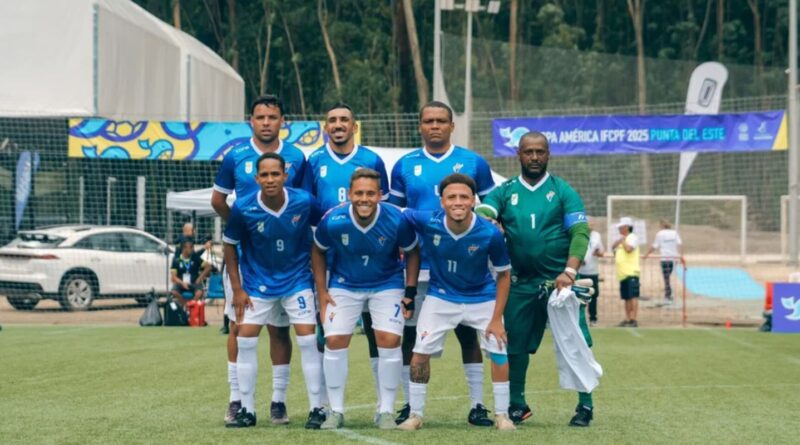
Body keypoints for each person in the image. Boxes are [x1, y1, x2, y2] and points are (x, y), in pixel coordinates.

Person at [476, 131, 596, 427]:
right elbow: (484, 210)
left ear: (548, 154)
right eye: (528, 152)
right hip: (519, 282)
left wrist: (569, 271)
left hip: (560, 284)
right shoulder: (506, 191)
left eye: (539, 152)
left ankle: (585, 406)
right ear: (518, 154)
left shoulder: (562, 190)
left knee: (575, 342)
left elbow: (580, 233)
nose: (534, 157)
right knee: (513, 344)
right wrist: (485, 219)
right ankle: (517, 404)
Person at [389, 101, 497, 426]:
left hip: (466, 265)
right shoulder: (404, 164)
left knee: (468, 335)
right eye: (428, 121)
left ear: (451, 126)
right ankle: (411, 406)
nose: (434, 126)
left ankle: (478, 405)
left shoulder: (473, 162)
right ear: (420, 126)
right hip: (417, 265)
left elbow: (491, 209)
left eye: (440, 121)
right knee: (412, 337)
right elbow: (395, 212)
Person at [211, 95, 308, 426]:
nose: (266, 122)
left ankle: (278, 402)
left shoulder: (295, 157)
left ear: (283, 121)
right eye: (260, 117)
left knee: (281, 331)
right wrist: (246, 227)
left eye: (272, 117)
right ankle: (237, 399)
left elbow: (304, 205)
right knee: (240, 328)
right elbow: (218, 200)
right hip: (246, 261)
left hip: (288, 263)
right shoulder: (235, 156)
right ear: (249, 121)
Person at [397, 173, 515, 431]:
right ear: (442, 202)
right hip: (441, 296)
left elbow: (504, 275)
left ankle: (502, 415)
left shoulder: (490, 233)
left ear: (474, 200)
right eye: (451, 197)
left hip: (482, 296)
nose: (458, 202)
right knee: (419, 354)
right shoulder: (428, 220)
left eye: (464, 197)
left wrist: (496, 319)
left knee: (498, 351)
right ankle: (415, 415)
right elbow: (400, 212)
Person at [311, 169, 420, 430]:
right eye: (359, 193)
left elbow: (413, 252)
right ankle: (335, 410)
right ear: (349, 195)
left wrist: (410, 292)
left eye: (371, 193)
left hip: (387, 284)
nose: (364, 198)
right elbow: (317, 250)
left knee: (390, 339)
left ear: (380, 195)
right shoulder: (334, 219)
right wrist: (322, 292)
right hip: (344, 284)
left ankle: (385, 410)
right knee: (334, 339)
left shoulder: (396, 218)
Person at [222, 152, 326, 429]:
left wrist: (321, 285)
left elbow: (322, 236)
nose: (270, 179)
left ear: (285, 176)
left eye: (275, 174)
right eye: (264, 175)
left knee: (307, 340)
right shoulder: (243, 207)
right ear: (256, 178)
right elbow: (229, 245)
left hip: (297, 281)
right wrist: (237, 289)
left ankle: (317, 408)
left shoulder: (304, 202)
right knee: (244, 339)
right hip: (257, 284)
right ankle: (247, 410)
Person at [302, 103, 390, 413]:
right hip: (329, 257)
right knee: (326, 330)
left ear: (354, 126)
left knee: (377, 330)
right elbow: (306, 207)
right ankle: (324, 405)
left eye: (344, 120)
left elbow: (385, 211)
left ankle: (385, 404)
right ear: (325, 127)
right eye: (332, 120)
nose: (338, 124)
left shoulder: (371, 159)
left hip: (369, 259)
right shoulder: (313, 161)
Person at [643, 219, 683, 304]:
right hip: (673, 258)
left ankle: (668, 294)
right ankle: (668, 293)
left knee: (666, 277)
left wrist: (647, 254)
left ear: (662, 226)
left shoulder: (660, 234)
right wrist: (680, 256)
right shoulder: (674, 233)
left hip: (665, 258)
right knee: (667, 276)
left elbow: (655, 246)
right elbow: (679, 244)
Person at [613, 216, 641, 327]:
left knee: (633, 296)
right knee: (626, 297)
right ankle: (628, 318)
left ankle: (633, 319)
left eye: (621, 227)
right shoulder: (622, 239)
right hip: (622, 274)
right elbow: (614, 249)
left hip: (631, 272)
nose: (619, 229)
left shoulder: (632, 237)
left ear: (627, 227)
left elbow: (629, 249)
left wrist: (623, 240)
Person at [578, 218, 605, 326]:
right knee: (580, 296)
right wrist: (579, 260)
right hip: (580, 271)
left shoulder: (597, 235)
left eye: (593, 223)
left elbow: (602, 251)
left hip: (593, 271)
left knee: (593, 296)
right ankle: (580, 319)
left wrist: (599, 253)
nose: (591, 225)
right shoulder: (578, 234)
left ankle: (593, 319)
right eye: (589, 223)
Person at [170, 239, 211, 306]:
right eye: (191, 247)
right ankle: (185, 305)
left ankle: (191, 306)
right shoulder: (176, 260)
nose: (193, 249)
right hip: (181, 282)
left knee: (199, 293)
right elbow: (173, 277)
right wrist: (182, 283)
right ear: (184, 248)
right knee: (174, 292)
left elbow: (208, 267)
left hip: (194, 282)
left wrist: (200, 278)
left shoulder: (195, 258)